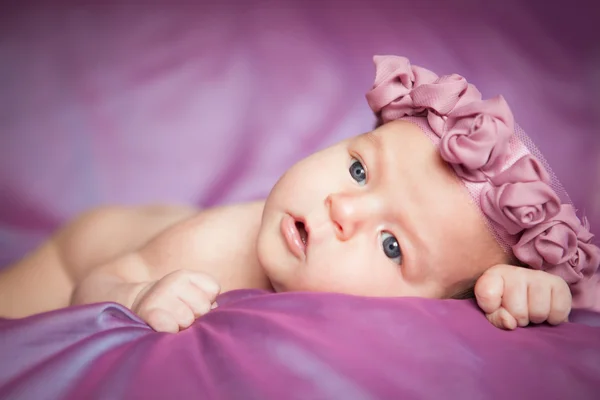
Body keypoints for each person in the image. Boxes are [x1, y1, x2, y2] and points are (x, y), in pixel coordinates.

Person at [0, 56, 597, 334]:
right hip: (86, 255)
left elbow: (479, 300)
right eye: (360, 172)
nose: (344, 208)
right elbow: (92, 284)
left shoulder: (439, 298)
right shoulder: (211, 248)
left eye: (392, 246)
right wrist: (138, 293)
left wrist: (529, 289)